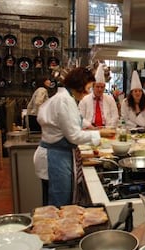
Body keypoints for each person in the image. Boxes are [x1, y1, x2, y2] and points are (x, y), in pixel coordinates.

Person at [33, 67, 101, 207]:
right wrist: (97, 135)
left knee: (57, 201)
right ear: (79, 85)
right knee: (57, 204)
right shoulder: (64, 101)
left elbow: (76, 119)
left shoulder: (66, 98)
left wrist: (90, 126)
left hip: (58, 155)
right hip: (54, 158)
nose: (87, 93)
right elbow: (74, 136)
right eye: (88, 88)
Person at [79, 63, 119, 129]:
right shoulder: (85, 99)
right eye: (97, 87)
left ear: (104, 87)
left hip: (107, 130)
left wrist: (108, 128)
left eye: (102, 87)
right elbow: (80, 117)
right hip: (89, 130)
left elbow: (115, 116)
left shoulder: (110, 99)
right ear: (93, 86)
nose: (100, 89)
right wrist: (89, 126)